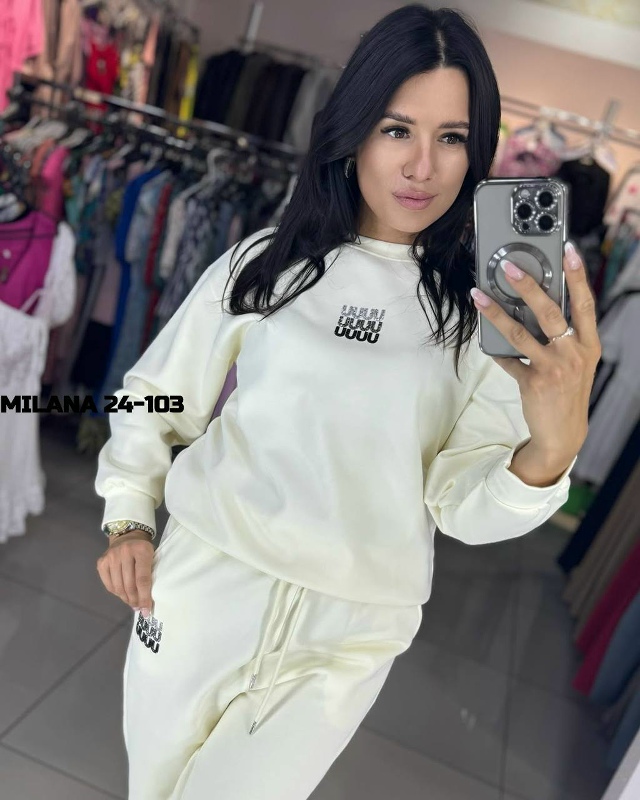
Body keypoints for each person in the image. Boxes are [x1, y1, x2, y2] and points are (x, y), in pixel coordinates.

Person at [94, 5, 601, 799]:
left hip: (346, 640)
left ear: (478, 151)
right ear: (355, 130)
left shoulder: (483, 318)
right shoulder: (267, 264)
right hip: (199, 587)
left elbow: (464, 509)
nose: (423, 166)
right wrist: (128, 513)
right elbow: (158, 395)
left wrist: (551, 451)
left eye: (452, 137)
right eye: (398, 129)